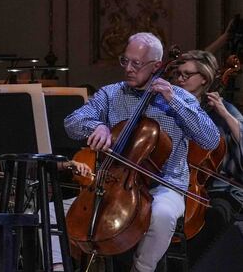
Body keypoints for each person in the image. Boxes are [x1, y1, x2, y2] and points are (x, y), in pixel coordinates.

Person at [64, 32, 220, 272]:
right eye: (125, 61)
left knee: (162, 215)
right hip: (114, 184)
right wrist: (97, 126)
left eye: (136, 64)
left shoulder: (179, 97)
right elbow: (72, 122)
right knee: (55, 211)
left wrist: (172, 100)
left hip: (165, 185)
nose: (128, 69)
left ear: (157, 66)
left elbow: (209, 138)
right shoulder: (111, 93)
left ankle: (142, 269)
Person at [169, 49, 243, 263]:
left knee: (216, 215)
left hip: (218, 188)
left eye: (186, 74)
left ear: (204, 78)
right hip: (175, 181)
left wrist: (225, 114)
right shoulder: (171, 106)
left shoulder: (222, 110)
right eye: (178, 74)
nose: (179, 79)